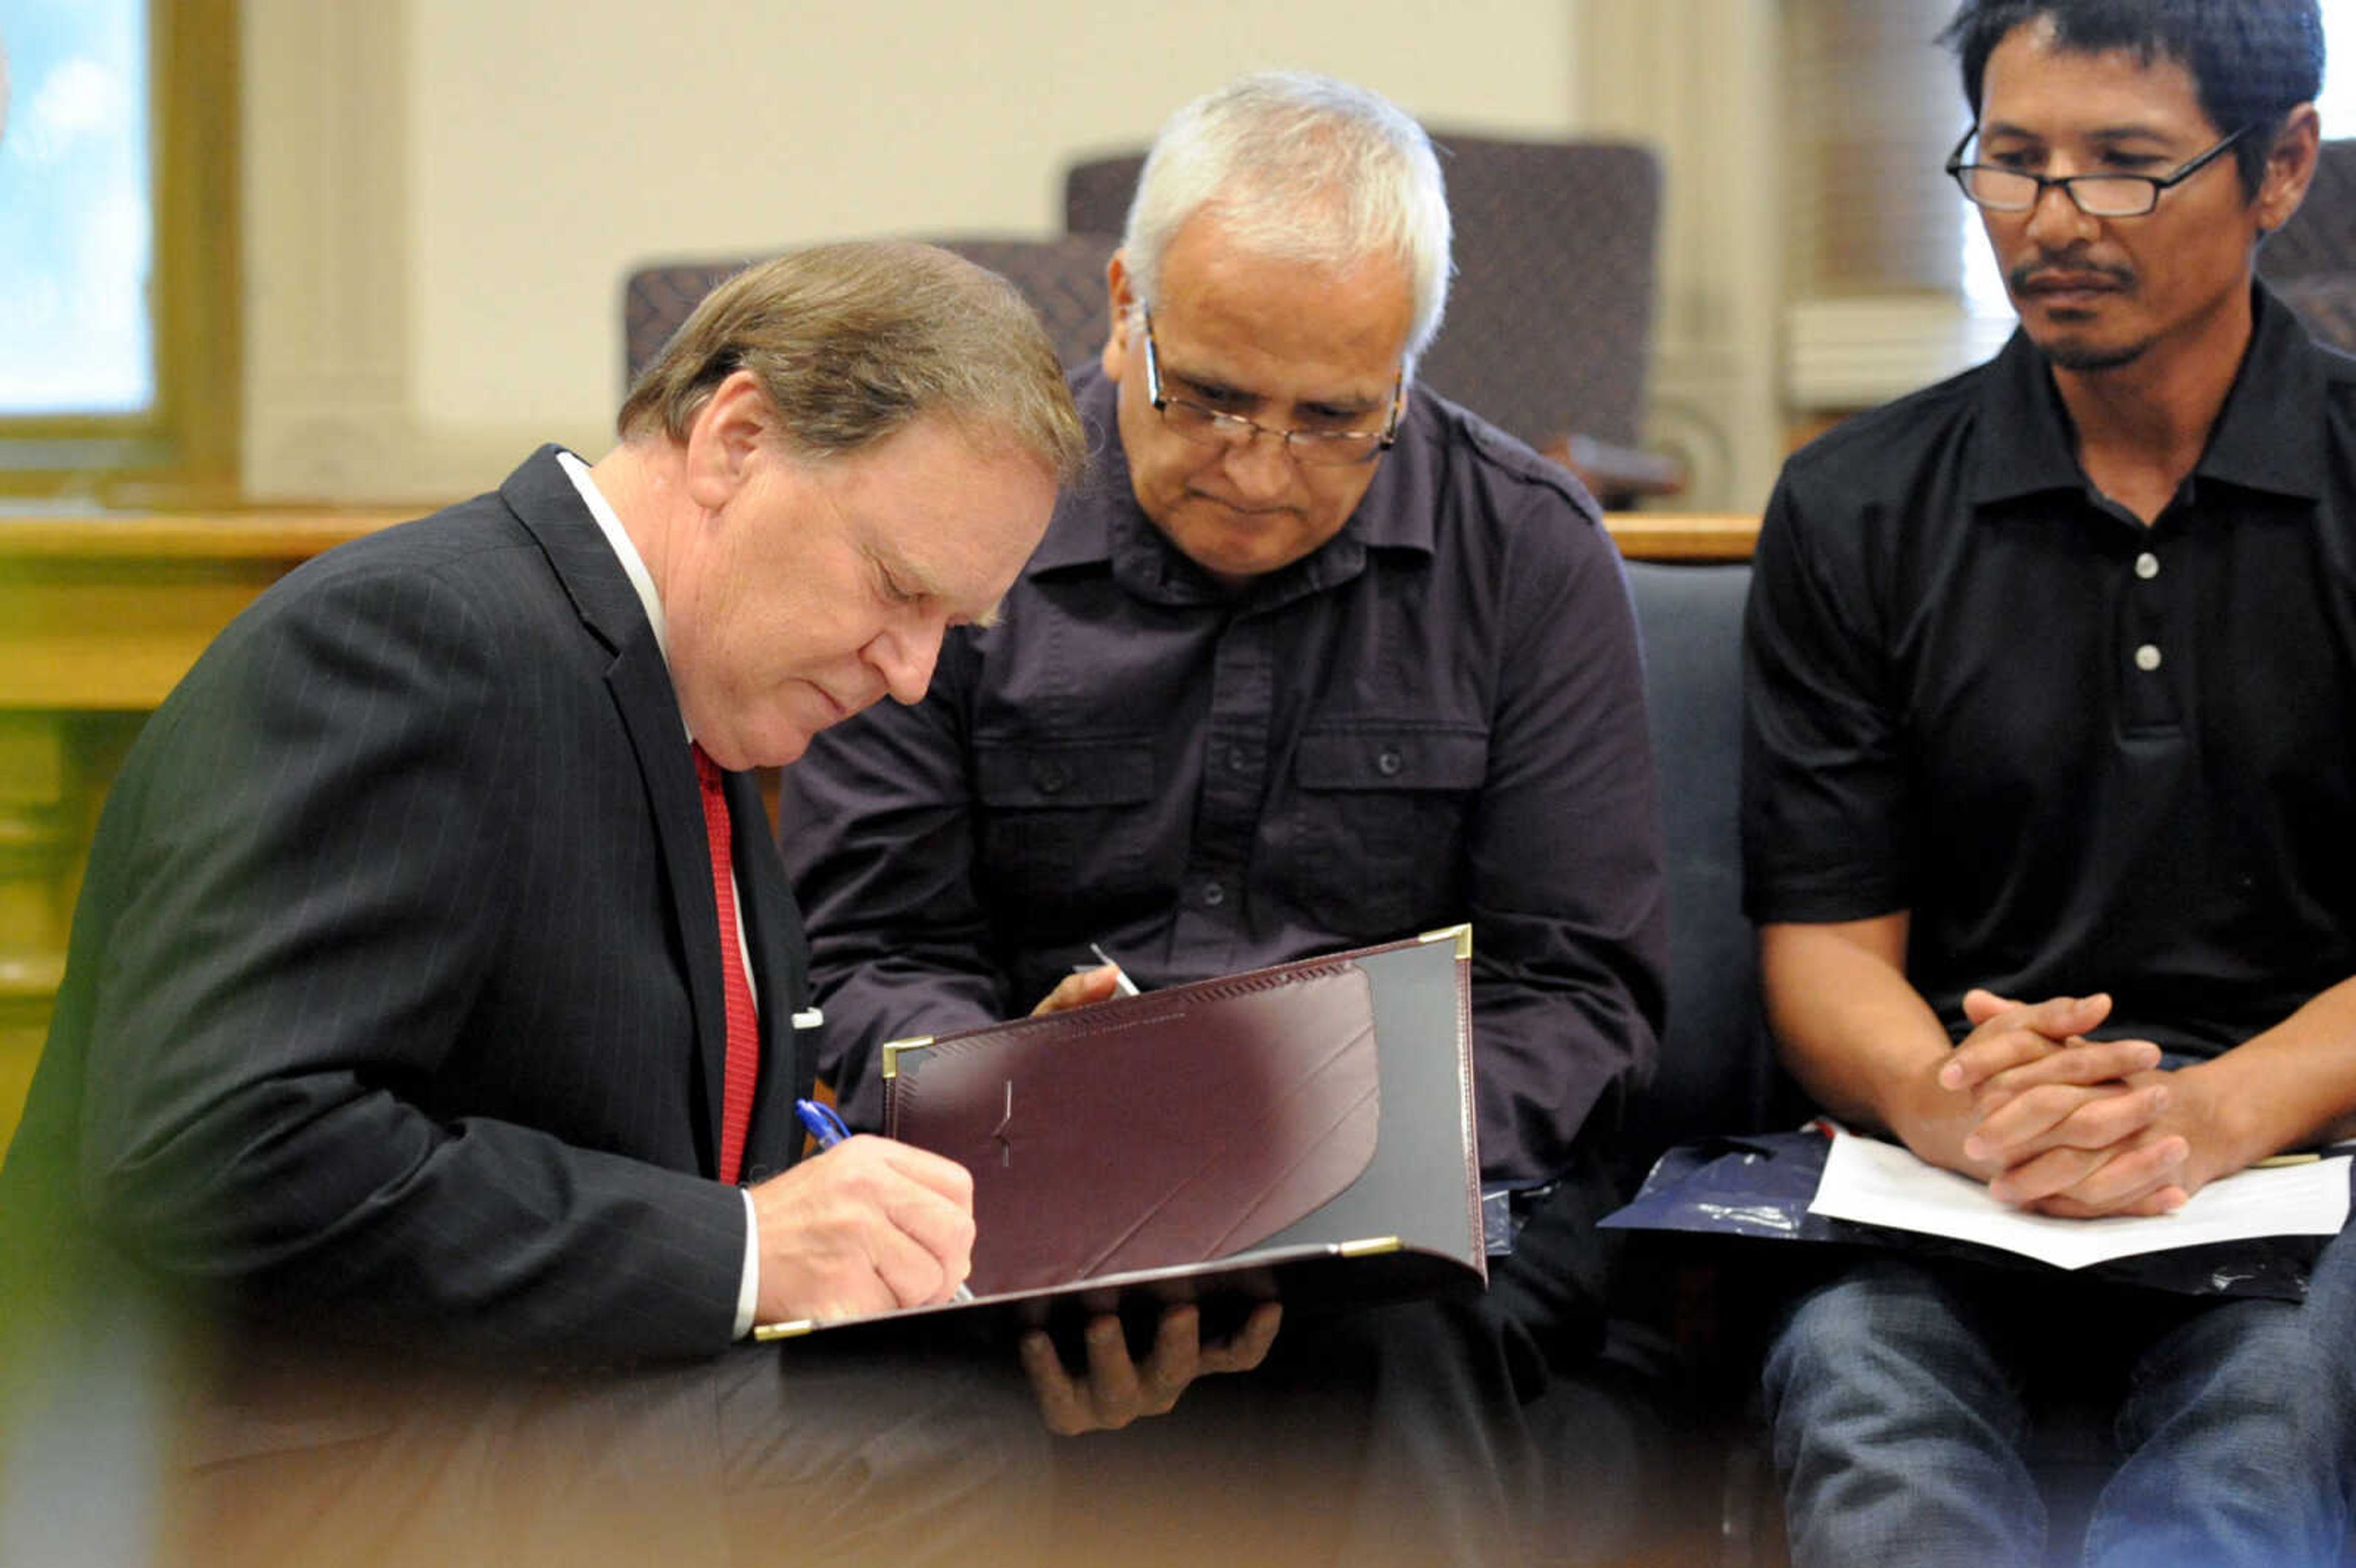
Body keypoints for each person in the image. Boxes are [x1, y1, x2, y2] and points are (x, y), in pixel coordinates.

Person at [0, 240, 1087, 1566]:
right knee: (922, 1443)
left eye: (953, 631)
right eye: (896, 590)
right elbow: (217, 1147)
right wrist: (743, 1243)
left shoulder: (689, 701)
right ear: (736, 439)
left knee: (988, 1389)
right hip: (259, 1460)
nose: (914, 675)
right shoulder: (421, 640)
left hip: (487, 1414)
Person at [777, 72, 1668, 1567]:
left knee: (1405, 1342)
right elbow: (862, 948)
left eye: (1335, 421)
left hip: (1407, 1223)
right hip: (1004, 1186)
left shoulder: (1523, 555)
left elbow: (1581, 997)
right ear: (1127, 302)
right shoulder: (959, 527)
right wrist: (1028, 1110)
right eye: (1212, 397)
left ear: (1406, 371)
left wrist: (1314, 1133)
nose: (1260, 471)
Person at [1742, 3, 2356, 1564]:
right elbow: (1825, 946)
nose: (2055, 220)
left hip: (2305, 1161)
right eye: (2011, 164)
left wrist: (2207, 1117)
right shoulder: (1856, 502)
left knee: (2265, 1425)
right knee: (1860, 1391)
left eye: (2126, 166)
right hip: (1965, 1173)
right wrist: (1957, 1110)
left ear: (2281, 167)